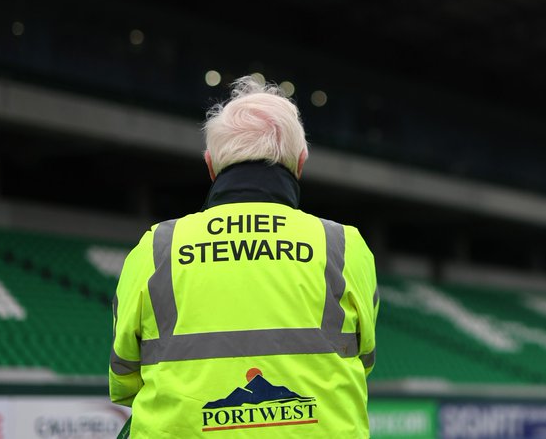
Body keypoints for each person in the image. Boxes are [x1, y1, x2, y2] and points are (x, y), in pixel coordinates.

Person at [109, 76, 379, 436]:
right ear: (300, 163)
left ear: (210, 165)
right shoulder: (344, 245)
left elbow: (124, 376)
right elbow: (363, 361)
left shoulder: (156, 248)